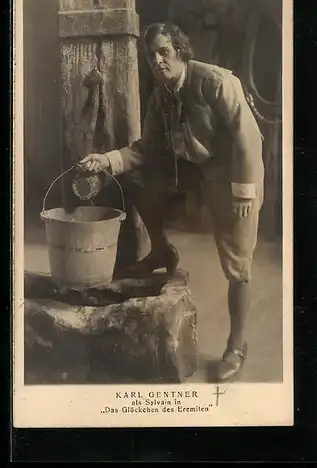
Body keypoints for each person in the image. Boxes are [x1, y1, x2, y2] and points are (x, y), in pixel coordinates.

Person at [78, 22, 265, 382]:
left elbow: (249, 140)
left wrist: (244, 191)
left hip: (234, 178)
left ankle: (237, 346)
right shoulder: (160, 97)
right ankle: (163, 251)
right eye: (151, 55)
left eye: (164, 51)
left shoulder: (215, 82)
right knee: (133, 178)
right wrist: (105, 160)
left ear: (180, 51)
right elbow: (145, 150)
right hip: (192, 179)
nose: (157, 60)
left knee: (238, 266)